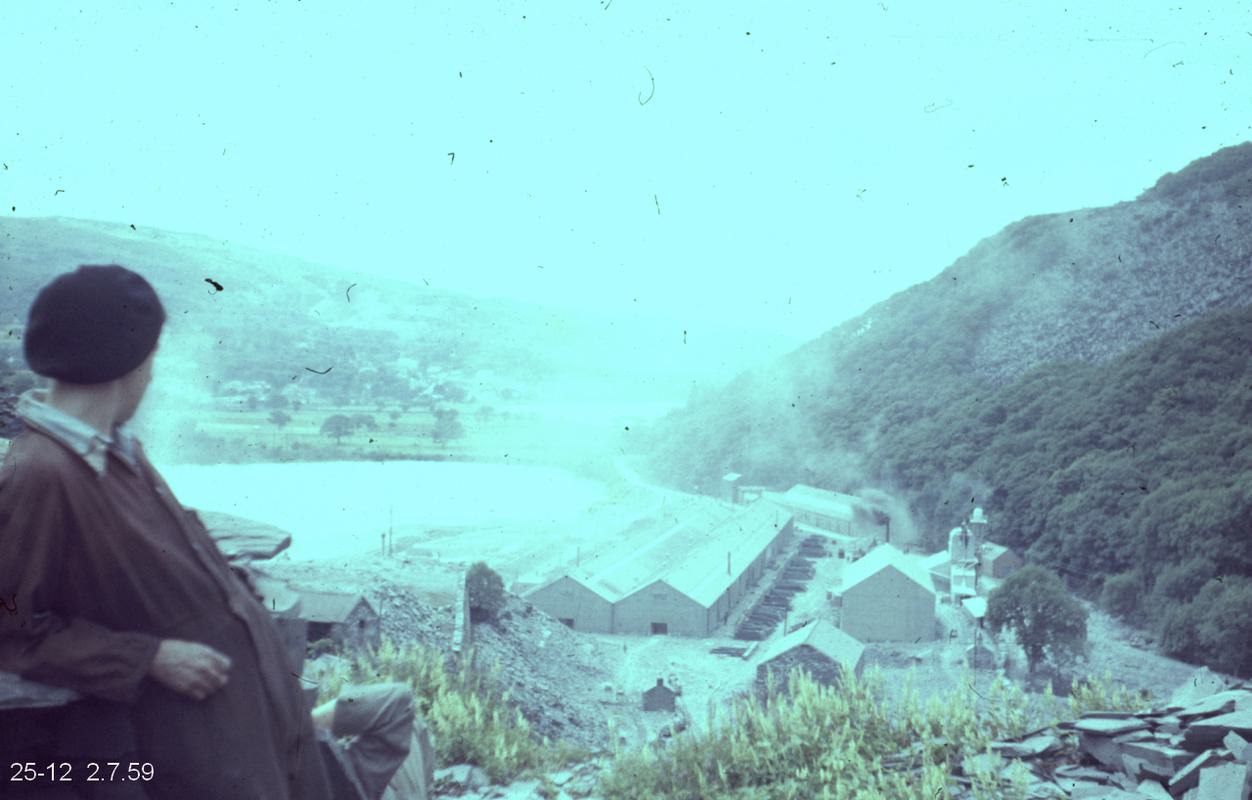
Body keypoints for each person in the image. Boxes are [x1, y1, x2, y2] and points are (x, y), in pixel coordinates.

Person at [0, 265, 422, 799]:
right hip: (196, 758)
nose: (151, 377)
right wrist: (148, 658)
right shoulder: (41, 473)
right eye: (151, 358)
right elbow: (12, 630)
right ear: (128, 362)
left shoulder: (116, 454)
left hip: (252, 734)